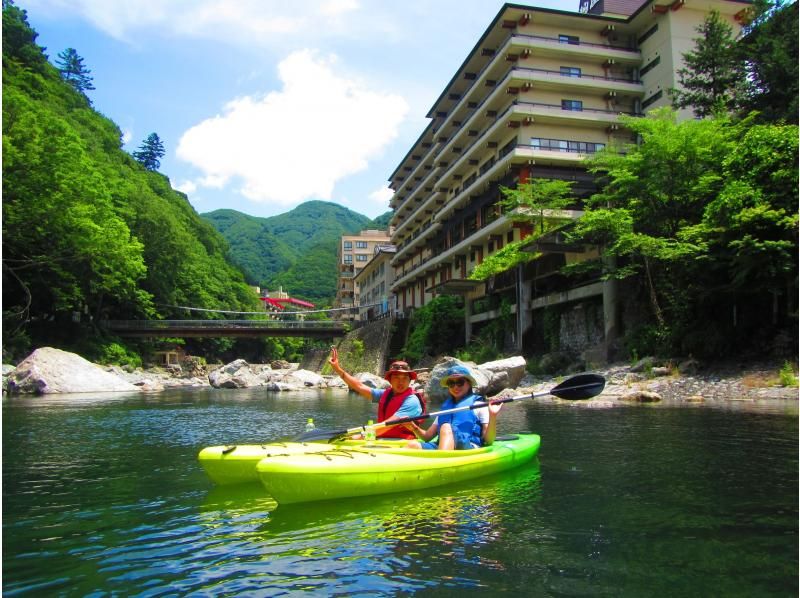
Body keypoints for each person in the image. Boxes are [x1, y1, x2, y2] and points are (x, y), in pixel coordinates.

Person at [328, 347, 424, 439]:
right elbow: (359, 386)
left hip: (403, 443)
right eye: (396, 377)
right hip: (383, 439)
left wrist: (361, 436)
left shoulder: (412, 401)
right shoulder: (386, 394)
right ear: (390, 380)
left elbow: (388, 425)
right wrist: (337, 369)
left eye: (404, 378)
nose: (401, 382)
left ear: (409, 380)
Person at [404, 365, 501, 450]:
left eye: (460, 382)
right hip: (443, 446)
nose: (455, 387)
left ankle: (441, 465)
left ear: (469, 384)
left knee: (446, 426)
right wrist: (414, 427)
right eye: (451, 383)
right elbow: (427, 437)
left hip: (467, 447)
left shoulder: (479, 406)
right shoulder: (446, 409)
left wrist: (493, 416)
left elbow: (488, 440)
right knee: (412, 445)